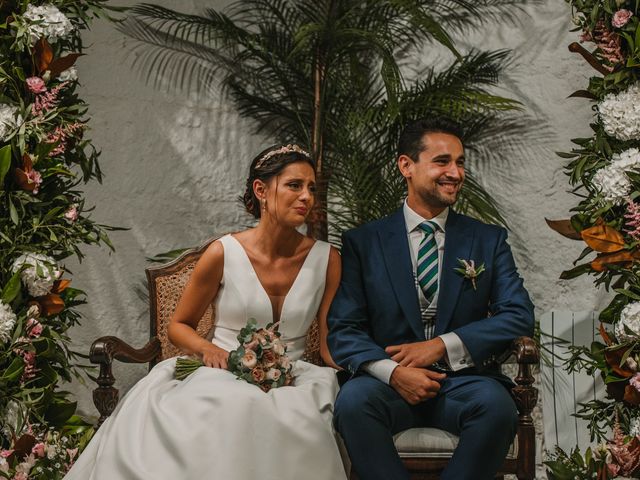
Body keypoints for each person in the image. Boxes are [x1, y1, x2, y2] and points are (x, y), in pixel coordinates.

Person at [66, 144, 348, 480]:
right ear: (261, 190)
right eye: (294, 185)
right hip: (224, 368)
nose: (307, 197)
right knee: (225, 407)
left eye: (312, 188)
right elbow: (179, 327)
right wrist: (208, 349)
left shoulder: (327, 259)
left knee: (301, 419)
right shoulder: (223, 253)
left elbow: (330, 342)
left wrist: (367, 368)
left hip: (294, 379)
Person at [327, 118, 535, 480]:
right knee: (353, 404)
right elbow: (344, 330)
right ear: (406, 166)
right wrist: (393, 373)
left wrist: (441, 345)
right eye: (442, 161)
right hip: (386, 387)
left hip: (464, 384)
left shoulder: (487, 239)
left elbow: (518, 315)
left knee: (498, 408)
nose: (455, 172)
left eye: (460, 162)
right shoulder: (364, 242)